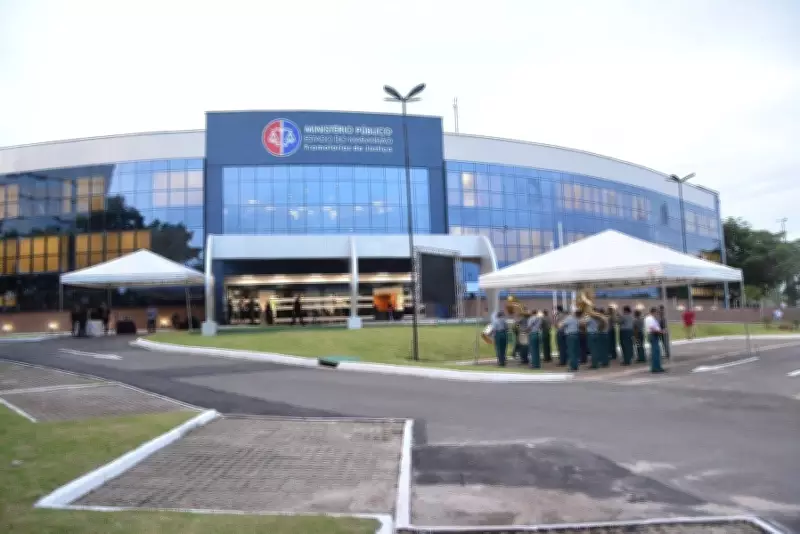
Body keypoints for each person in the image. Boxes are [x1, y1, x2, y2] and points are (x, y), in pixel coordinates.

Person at [645, 307, 665, 373]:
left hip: (654, 335)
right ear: (654, 312)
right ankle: (655, 368)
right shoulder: (650, 318)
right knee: (655, 352)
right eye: (657, 313)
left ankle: (657, 367)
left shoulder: (651, 318)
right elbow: (652, 328)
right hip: (653, 335)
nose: (657, 314)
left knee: (656, 351)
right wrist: (661, 331)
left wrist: (660, 330)